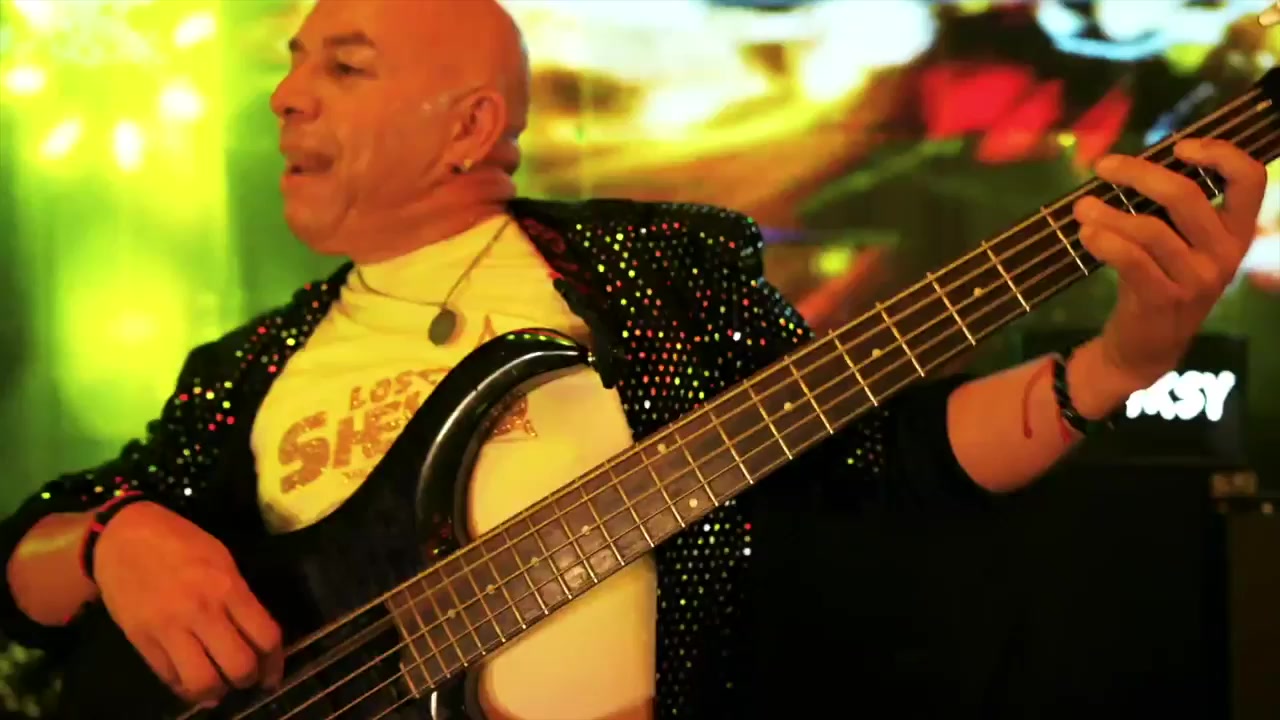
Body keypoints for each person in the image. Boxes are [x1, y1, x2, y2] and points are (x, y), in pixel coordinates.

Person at [0, 1, 1267, 718]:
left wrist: (1121, 358)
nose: (286, 96)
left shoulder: (652, 271)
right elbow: (22, 571)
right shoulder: (252, 362)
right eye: (290, 65)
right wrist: (113, 537)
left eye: (342, 64)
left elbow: (881, 456)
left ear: (470, 126)